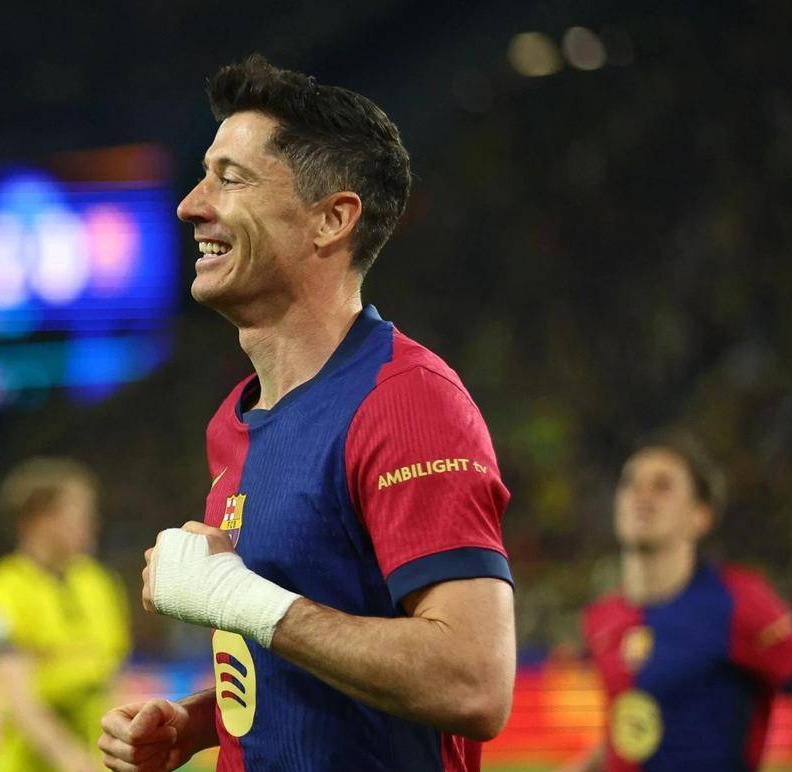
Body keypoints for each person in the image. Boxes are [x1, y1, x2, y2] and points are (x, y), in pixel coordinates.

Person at [97, 54, 515, 772]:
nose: (191, 204)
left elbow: (472, 680)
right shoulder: (234, 420)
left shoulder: (405, 401)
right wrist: (202, 724)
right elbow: (311, 642)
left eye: (231, 178)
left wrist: (239, 598)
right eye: (203, 175)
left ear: (331, 219)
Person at [565, 431, 792, 771]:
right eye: (630, 484)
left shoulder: (737, 602)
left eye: (662, 486)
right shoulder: (601, 616)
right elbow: (627, 733)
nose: (641, 496)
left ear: (700, 516)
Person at [0, 457, 131, 772]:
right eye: (80, 513)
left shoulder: (99, 583)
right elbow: (19, 701)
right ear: (39, 518)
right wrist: (75, 763)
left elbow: (113, 682)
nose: (92, 523)